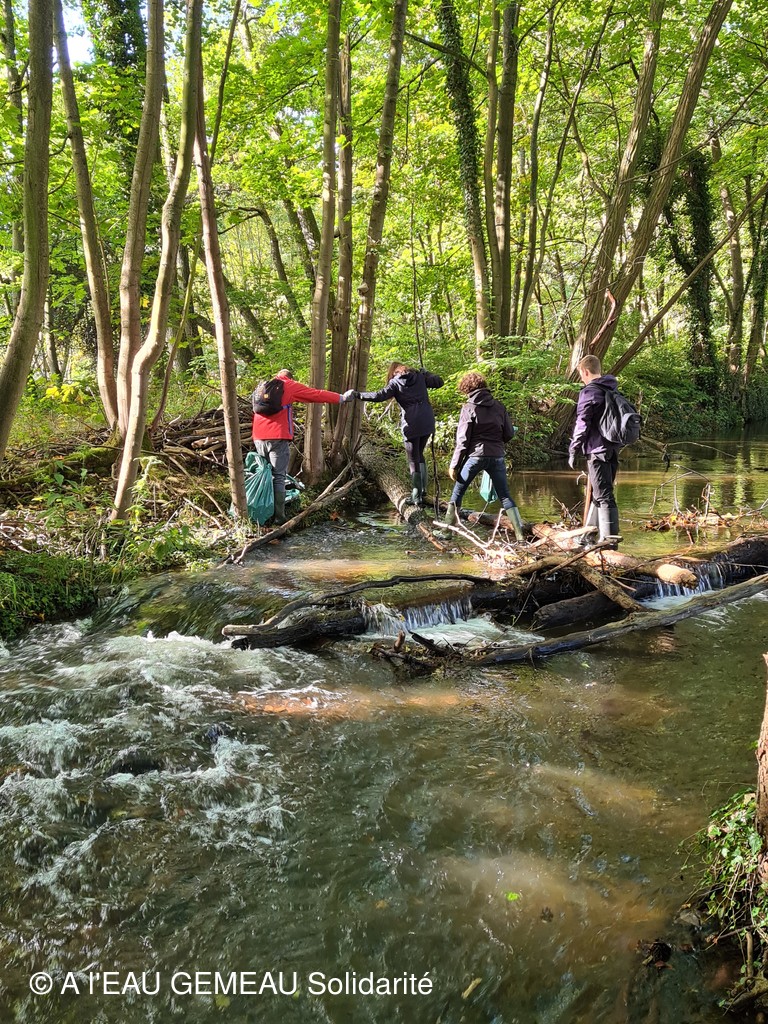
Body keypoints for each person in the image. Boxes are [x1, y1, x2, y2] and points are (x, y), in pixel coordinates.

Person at [252, 369, 356, 525]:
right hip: (278, 437)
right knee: (278, 476)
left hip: (258, 437)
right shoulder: (289, 385)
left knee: (264, 473)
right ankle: (279, 517)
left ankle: (261, 512)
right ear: (290, 377)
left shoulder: (263, 387)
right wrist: (341, 398)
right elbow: (315, 394)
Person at [444, 372, 525, 541]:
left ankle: (447, 533)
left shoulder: (469, 408)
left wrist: (454, 465)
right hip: (497, 456)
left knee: (458, 492)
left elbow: (463, 440)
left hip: (475, 457)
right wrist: (496, 443)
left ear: (466, 389)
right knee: (505, 496)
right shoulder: (499, 406)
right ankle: (520, 537)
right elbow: (509, 433)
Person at [357, 362, 444, 504]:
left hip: (411, 424)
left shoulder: (395, 383)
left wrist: (358, 395)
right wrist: (427, 373)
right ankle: (423, 491)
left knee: (413, 458)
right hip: (427, 421)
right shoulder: (419, 376)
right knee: (419, 454)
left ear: (393, 372)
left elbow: (379, 396)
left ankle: (416, 496)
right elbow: (439, 382)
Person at [568, 354, 622, 547]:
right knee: (600, 493)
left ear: (585, 371)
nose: (581, 379)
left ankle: (609, 542)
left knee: (604, 495)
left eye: (581, 375)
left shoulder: (589, 392)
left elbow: (582, 422)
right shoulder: (612, 389)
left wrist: (573, 448)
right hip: (613, 448)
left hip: (597, 450)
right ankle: (588, 535)